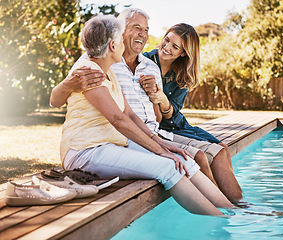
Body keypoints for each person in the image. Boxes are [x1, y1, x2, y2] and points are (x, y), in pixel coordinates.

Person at [50, 8, 244, 206]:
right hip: (110, 142)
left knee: (211, 152)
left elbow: (148, 118)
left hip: (147, 132)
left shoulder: (147, 67)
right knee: (184, 161)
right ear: (119, 33)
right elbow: (119, 119)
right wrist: (67, 85)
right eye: (137, 27)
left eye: (146, 29)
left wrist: (156, 98)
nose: (144, 34)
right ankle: (224, 216)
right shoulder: (101, 63)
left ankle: (234, 210)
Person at [140, 23, 245, 205]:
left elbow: (172, 114)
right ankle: (226, 204)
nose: (166, 47)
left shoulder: (182, 73)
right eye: (167, 40)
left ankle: (239, 203)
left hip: (176, 123)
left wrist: (162, 99)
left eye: (175, 47)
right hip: (160, 128)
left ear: (183, 53)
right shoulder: (145, 62)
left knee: (223, 149)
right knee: (212, 154)